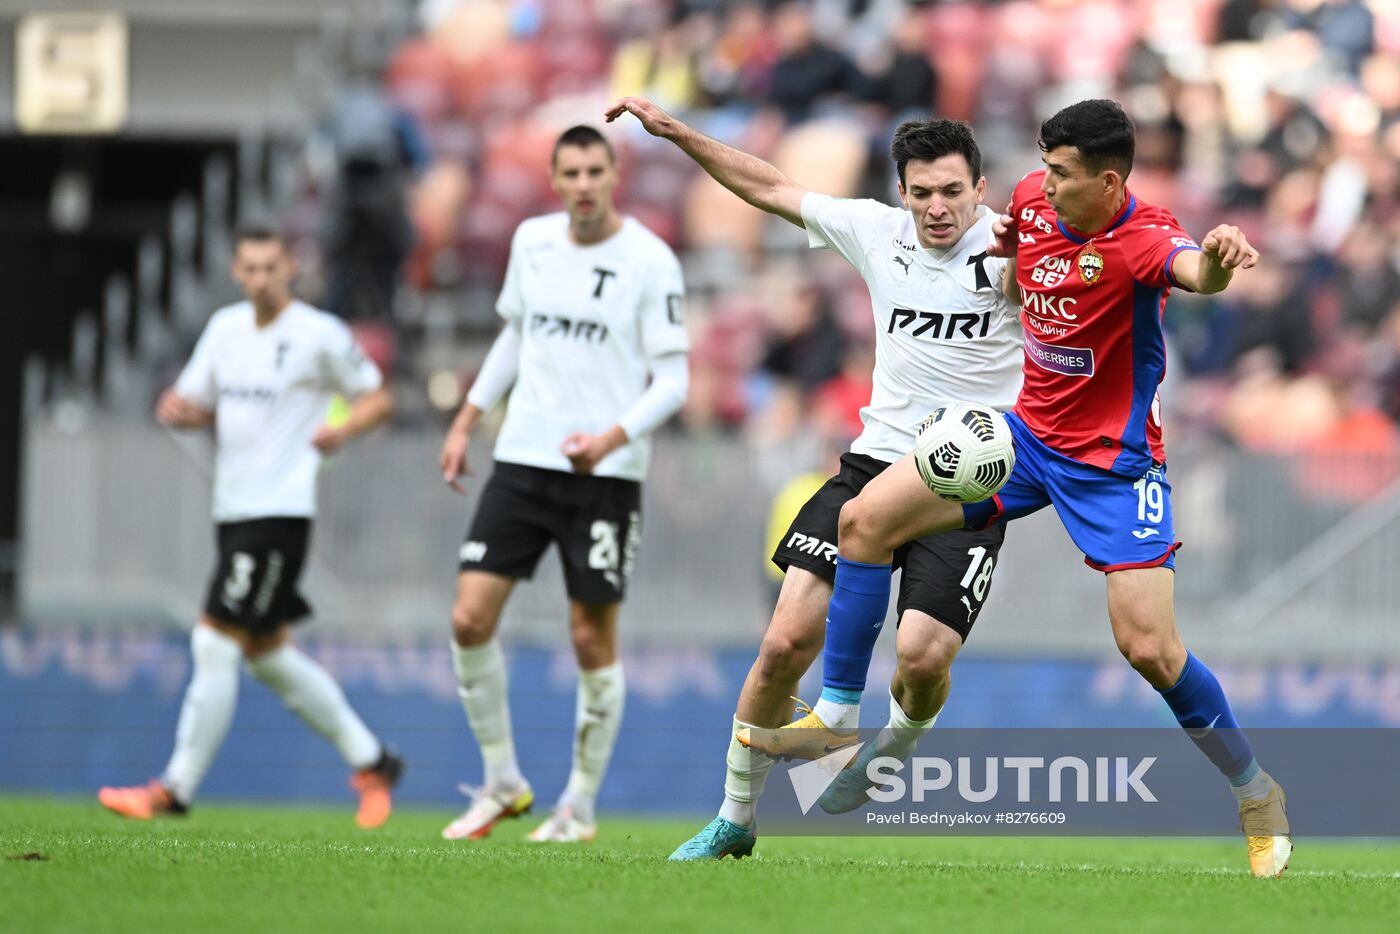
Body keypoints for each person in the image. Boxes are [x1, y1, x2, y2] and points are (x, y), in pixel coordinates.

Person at [798, 99, 1291, 879]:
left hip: (1113, 467)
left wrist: (1223, 258)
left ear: (1106, 180)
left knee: (1150, 649)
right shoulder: (1032, 200)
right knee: (862, 521)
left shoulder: (1145, 238)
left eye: (1060, 173)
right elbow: (1018, 249)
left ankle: (1255, 791)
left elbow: (1199, 271)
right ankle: (834, 716)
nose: (1042, 183)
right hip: (1024, 440)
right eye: (1043, 166)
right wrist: (1003, 244)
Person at [605, 97, 1023, 860]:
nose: (936, 208)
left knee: (924, 662)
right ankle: (735, 816)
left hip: (966, 480)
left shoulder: (1012, 252)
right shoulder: (875, 231)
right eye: (922, 191)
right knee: (782, 641)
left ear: (980, 188)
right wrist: (683, 131)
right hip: (875, 461)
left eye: (952, 191)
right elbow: (768, 187)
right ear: (901, 192)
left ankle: (894, 743)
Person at [98, 225, 401, 828]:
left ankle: (174, 789)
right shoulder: (224, 330)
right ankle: (374, 762)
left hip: (280, 513)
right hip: (232, 510)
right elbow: (196, 405)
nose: (261, 279)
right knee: (266, 656)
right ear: (237, 272)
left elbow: (377, 397)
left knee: (214, 640)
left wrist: (342, 431)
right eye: (250, 269)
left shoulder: (318, 335)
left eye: (271, 267)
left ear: (291, 267)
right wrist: (181, 414)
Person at [438, 125, 690, 844]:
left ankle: (577, 804)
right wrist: (467, 419)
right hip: (523, 458)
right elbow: (515, 335)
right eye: (570, 172)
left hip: (604, 473)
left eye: (594, 171)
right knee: (468, 619)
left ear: (616, 175)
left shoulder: (649, 259)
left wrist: (611, 438)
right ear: (553, 178)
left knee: (589, 635)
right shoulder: (532, 243)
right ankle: (502, 782)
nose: (583, 184)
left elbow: (674, 381)